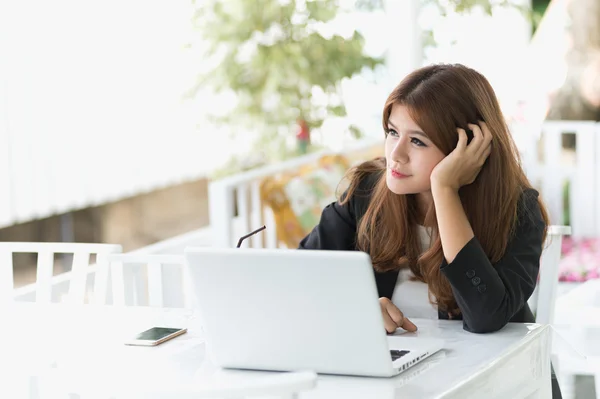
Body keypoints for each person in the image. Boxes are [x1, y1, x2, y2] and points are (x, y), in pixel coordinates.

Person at [299, 63, 549, 335]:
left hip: (494, 373)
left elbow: (485, 317)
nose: (396, 154)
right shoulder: (366, 193)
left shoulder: (517, 211)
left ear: (467, 147)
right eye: (393, 132)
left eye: (418, 141)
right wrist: (357, 307)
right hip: (393, 370)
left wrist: (444, 190)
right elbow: (298, 279)